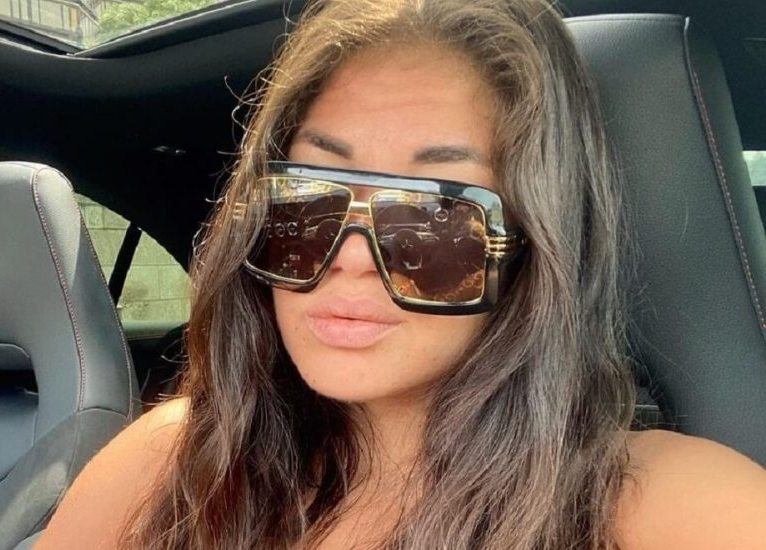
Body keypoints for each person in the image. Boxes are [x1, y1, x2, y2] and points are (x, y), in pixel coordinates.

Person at [38, 0, 766, 548]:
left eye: (435, 218)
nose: (350, 256)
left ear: (530, 251)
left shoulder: (665, 503)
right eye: (309, 198)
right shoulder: (175, 459)